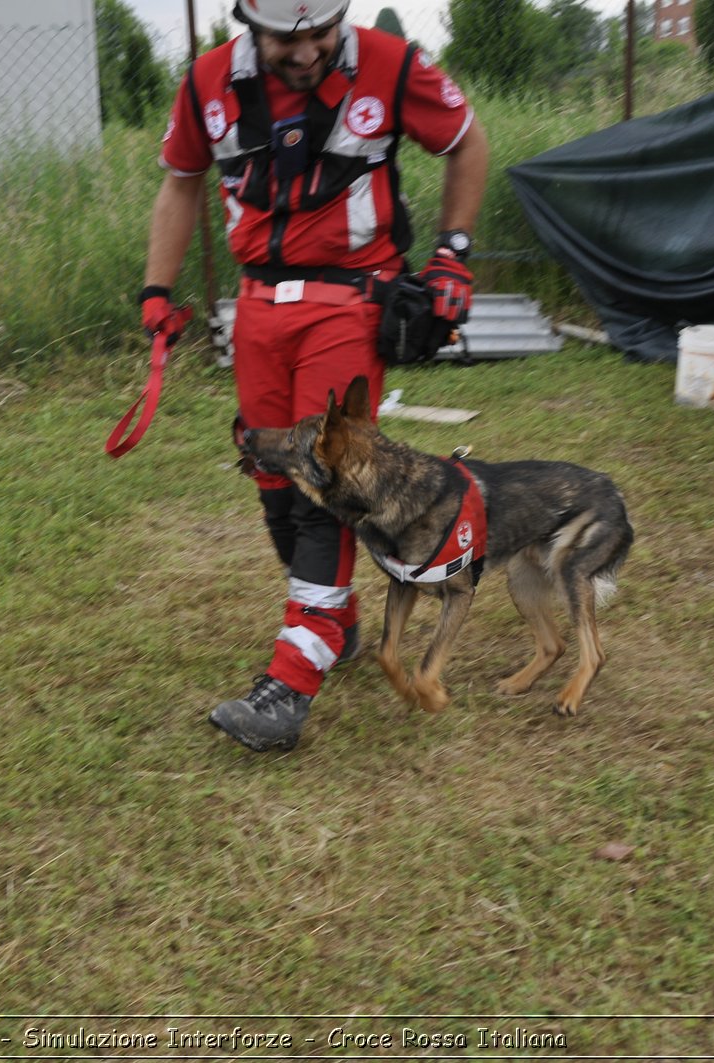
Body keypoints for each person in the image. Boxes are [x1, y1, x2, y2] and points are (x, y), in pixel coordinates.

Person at [138, 0, 489, 752]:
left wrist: (452, 253)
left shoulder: (392, 66)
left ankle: (290, 682)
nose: (306, 53)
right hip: (259, 305)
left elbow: (466, 141)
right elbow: (179, 183)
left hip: (351, 302)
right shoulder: (206, 83)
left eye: (320, 35)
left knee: (323, 483)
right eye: (285, 39)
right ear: (249, 26)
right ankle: (337, 622)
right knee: (272, 479)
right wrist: (157, 294)